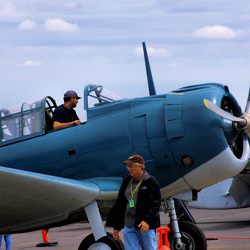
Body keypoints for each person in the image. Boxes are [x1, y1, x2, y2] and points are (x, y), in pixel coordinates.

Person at [106, 155, 161, 250]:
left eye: (131, 166)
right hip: (129, 225)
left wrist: (147, 221)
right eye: (127, 166)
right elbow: (120, 204)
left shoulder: (151, 181)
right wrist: (117, 226)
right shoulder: (126, 181)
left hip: (145, 225)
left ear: (140, 166)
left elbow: (156, 203)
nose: (128, 169)